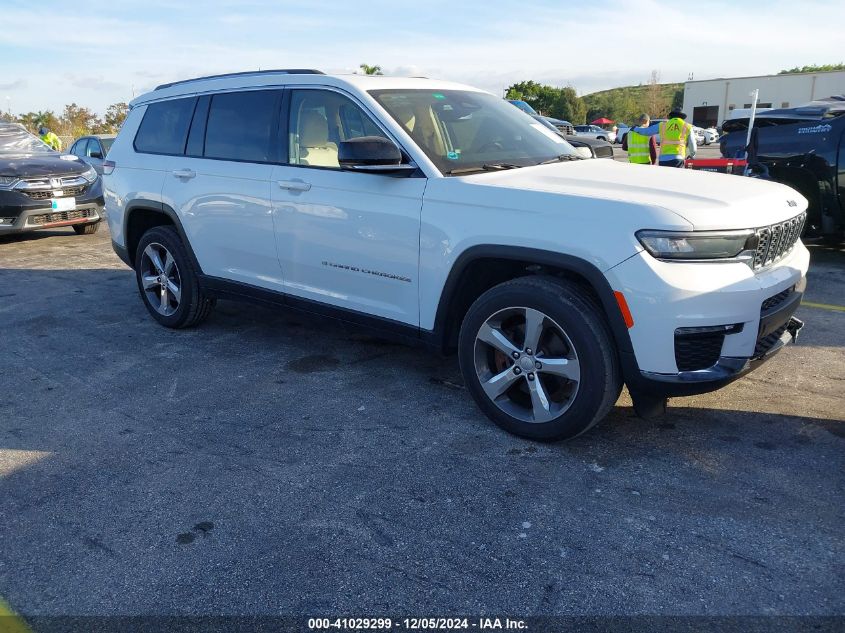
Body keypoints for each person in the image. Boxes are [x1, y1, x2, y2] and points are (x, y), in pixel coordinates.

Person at [630, 109, 696, 167]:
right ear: (682, 117)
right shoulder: (688, 126)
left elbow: (647, 131)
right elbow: (692, 144)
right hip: (678, 158)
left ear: (671, 116)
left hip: (663, 159)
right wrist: (692, 155)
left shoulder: (663, 124)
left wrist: (635, 128)